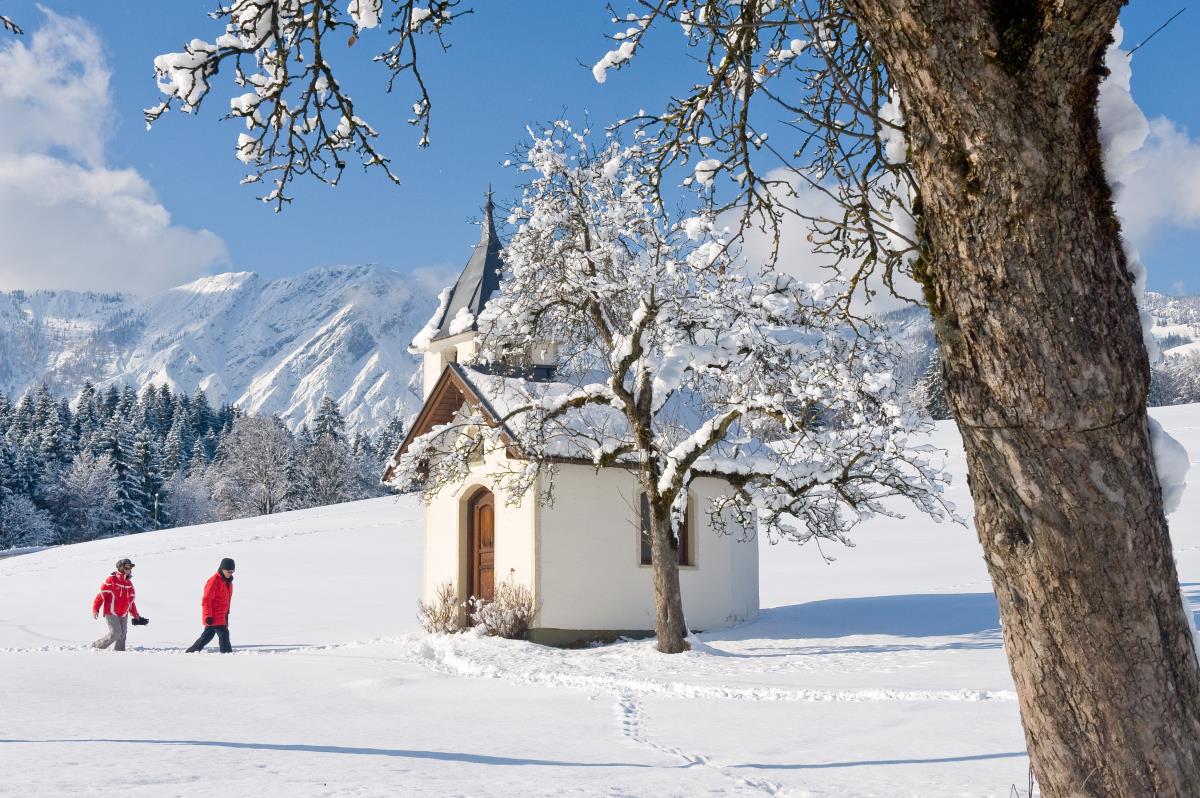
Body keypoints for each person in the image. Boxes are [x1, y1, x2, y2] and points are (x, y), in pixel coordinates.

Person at [91, 558, 146, 651]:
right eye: (127, 567)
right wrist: (95, 609)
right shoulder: (112, 580)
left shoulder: (129, 584)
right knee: (116, 633)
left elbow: (131, 602)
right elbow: (101, 596)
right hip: (111, 612)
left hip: (123, 614)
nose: (129, 569)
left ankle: (119, 653)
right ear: (121, 568)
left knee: (122, 635)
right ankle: (96, 646)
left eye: (130, 567)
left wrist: (136, 616)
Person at [186, 558, 235, 653]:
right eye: (229, 571)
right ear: (223, 569)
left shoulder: (228, 582)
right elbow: (206, 600)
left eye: (232, 571)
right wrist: (208, 616)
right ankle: (227, 655)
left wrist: (227, 611)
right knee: (224, 634)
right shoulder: (214, 581)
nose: (231, 573)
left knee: (207, 636)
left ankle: (191, 652)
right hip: (214, 614)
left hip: (222, 614)